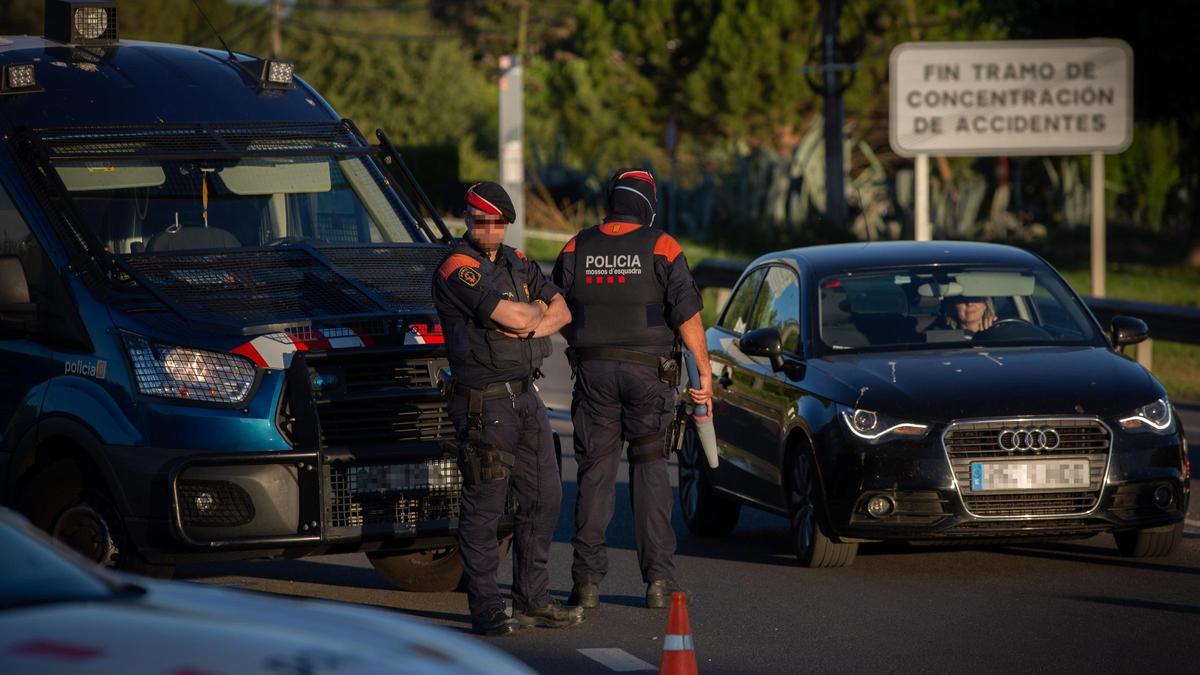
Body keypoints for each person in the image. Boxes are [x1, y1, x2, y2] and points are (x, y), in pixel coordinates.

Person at [552, 168, 712, 610]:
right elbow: (689, 319)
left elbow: (556, 310)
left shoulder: (576, 245)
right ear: (647, 203)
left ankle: (585, 583)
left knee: (596, 475)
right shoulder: (662, 245)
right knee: (650, 473)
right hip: (649, 378)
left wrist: (589, 347)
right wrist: (703, 375)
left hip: (594, 375)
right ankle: (658, 582)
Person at [432, 181, 580, 636]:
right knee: (486, 506)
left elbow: (563, 310)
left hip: (525, 395)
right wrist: (528, 314)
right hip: (484, 402)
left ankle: (532, 598)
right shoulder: (458, 267)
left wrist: (530, 326)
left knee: (544, 496)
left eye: (498, 222)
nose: (490, 229)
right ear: (468, 218)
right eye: (482, 220)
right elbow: (516, 315)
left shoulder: (517, 260)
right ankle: (487, 607)